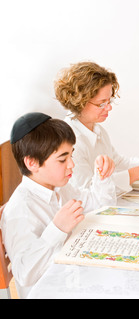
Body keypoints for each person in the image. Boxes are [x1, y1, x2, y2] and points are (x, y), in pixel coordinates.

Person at [0, 112, 117, 298]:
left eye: (72, 155)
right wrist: (57, 229)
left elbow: (102, 206)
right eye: (63, 159)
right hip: (54, 291)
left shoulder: (60, 188)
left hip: (76, 276)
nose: (72, 164)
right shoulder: (20, 210)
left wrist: (102, 177)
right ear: (31, 163)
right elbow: (24, 274)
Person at [54, 61, 139, 194]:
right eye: (101, 104)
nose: (109, 108)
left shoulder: (97, 130)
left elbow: (117, 162)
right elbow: (87, 190)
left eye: (109, 101)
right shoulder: (68, 140)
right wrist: (135, 174)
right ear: (79, 102)